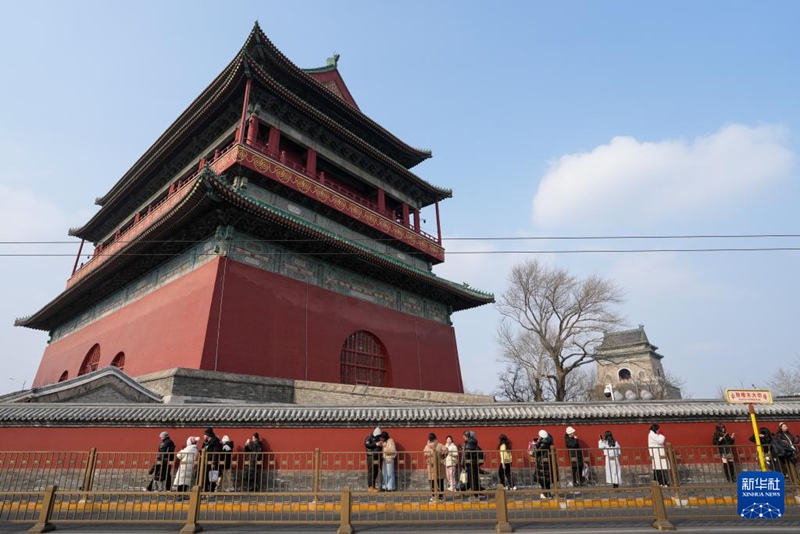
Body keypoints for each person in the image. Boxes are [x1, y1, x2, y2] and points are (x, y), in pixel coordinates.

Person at [531, 429, 553, 499]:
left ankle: (546, 495)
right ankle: (548, 494)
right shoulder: (548, 441)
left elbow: (536, 452)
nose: (538, 437)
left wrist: (534, 445)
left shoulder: (544, 444)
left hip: (543, 463)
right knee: (546, 480)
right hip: (546, 463)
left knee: (543, 480)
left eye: (539, 436)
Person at [424, 433, 446, 501]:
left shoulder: (427, 446)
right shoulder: (439, 445)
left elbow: (425, 455)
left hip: (433, 465)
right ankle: (440, 496)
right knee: (439, 481)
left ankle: (435, 496)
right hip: (436, 465)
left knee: (434, 481)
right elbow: (445, 451)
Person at [202, 427, 223, 492]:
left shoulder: (215, 442)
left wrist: (213, 462)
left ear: (208, 435)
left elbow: (215, 453)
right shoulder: (206, 442)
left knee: (212, 478)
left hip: (212, 462)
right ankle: (205, 491)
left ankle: (211, 491)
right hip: (206, 462)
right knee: (205, 477)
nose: (203, 436)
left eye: (204, 435)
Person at [462, 430, 482, 499]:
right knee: (474, 478)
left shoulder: (469, 443)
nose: (463, 437)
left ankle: (475, 494)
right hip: (474, 463)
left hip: (471, 463)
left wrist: (465, 458)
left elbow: (467, 452)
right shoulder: (472, 442)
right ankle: (476, 493)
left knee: (472, 479)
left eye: (464, 436)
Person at [365, 427, 383, 492]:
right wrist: (376, 444)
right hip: (371, 456)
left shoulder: (377, 438)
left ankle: (373, 486)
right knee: (371, 471)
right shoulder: (369, 437)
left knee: (376, 471)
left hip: (376, 457)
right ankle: (370, 486)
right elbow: (367, 445)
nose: (378, 437)